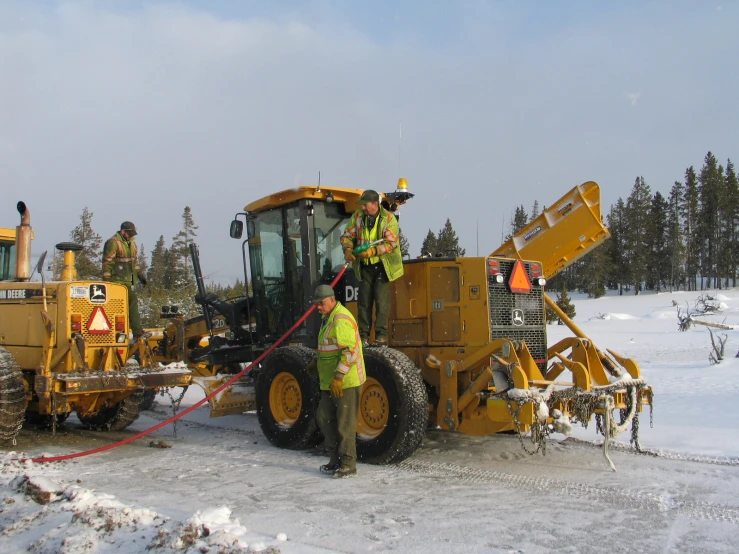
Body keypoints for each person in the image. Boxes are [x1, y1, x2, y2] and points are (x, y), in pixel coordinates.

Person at [312, 284, 365, 479]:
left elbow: (350, 351)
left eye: (321, 303)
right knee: (324, 416)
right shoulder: (328, 318)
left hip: (346, 381)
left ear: (332, 300)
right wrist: (315, 363)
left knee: (345, 423)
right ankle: (335, 459)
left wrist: (338, 377)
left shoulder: (340, 319)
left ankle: (348, 463)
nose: (318, 307)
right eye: (316, 304)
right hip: (330, 382)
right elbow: (330, 347)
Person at [340, 189, 404, 346]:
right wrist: (348, 249)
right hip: (365, 267)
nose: (363, 208)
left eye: (365, 205)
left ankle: (381, 336)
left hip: (383, 266)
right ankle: (363, 337)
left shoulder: (389, 219)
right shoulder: (357, 217)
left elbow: (390, 244)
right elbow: (347, 236)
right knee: (364, 302)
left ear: (375, 204)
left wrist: (372, 251)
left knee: (382, 302)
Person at [102, 221, 147, 339]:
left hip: (127, 281)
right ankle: (135, 331)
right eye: (130, 233)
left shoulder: (132, 244)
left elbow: (134, 262)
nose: (132, 236)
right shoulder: (113, 243)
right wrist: (107, 282)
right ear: (123, 231)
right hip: (116, 282)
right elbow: (107, 263)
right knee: (128, 303)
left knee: (129, 305)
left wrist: (140, 275)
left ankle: (132, 331)